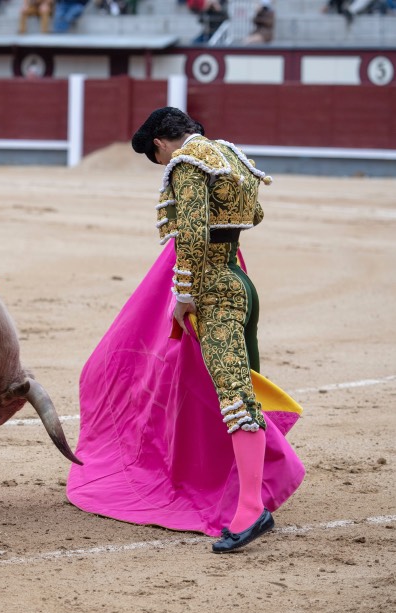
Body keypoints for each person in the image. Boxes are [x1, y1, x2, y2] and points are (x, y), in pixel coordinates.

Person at [66, 107, 305, 553]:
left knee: (234, 397)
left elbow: (192, 237)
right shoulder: (232, 156)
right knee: (239, 387)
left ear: (160, 143)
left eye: (155, 159)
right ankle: (249, 488)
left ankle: (251, 506)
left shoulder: (187, 164)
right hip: (241, 281)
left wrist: (183, 293)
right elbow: (255, 216)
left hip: (213, 291)